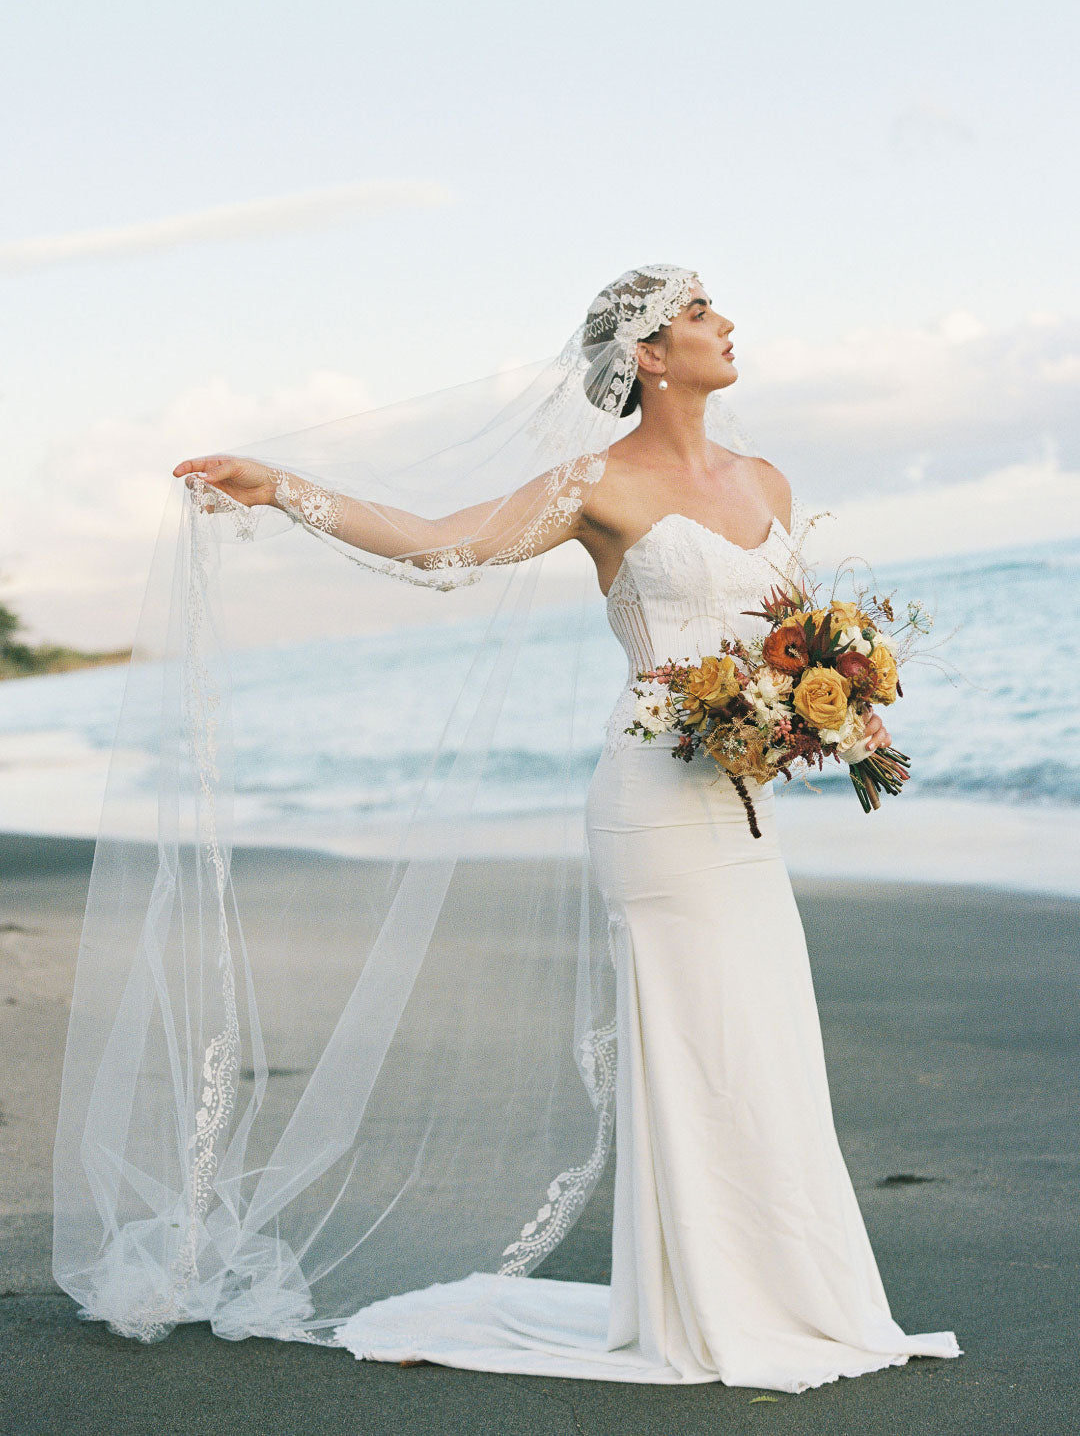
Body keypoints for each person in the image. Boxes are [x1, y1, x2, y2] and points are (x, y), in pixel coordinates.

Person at [151, 266, 961, 1392]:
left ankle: (793, 1294)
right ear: (649, 356)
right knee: (695, 1046)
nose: (725, 325)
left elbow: (789, 635)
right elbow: (441, 542)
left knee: (765, 1034)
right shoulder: (595, 484)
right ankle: (706, 1311)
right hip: (653, 811)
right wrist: (283, 486)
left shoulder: (770, 476)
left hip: (746, 812)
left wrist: (825, 707)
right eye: (698, 313)